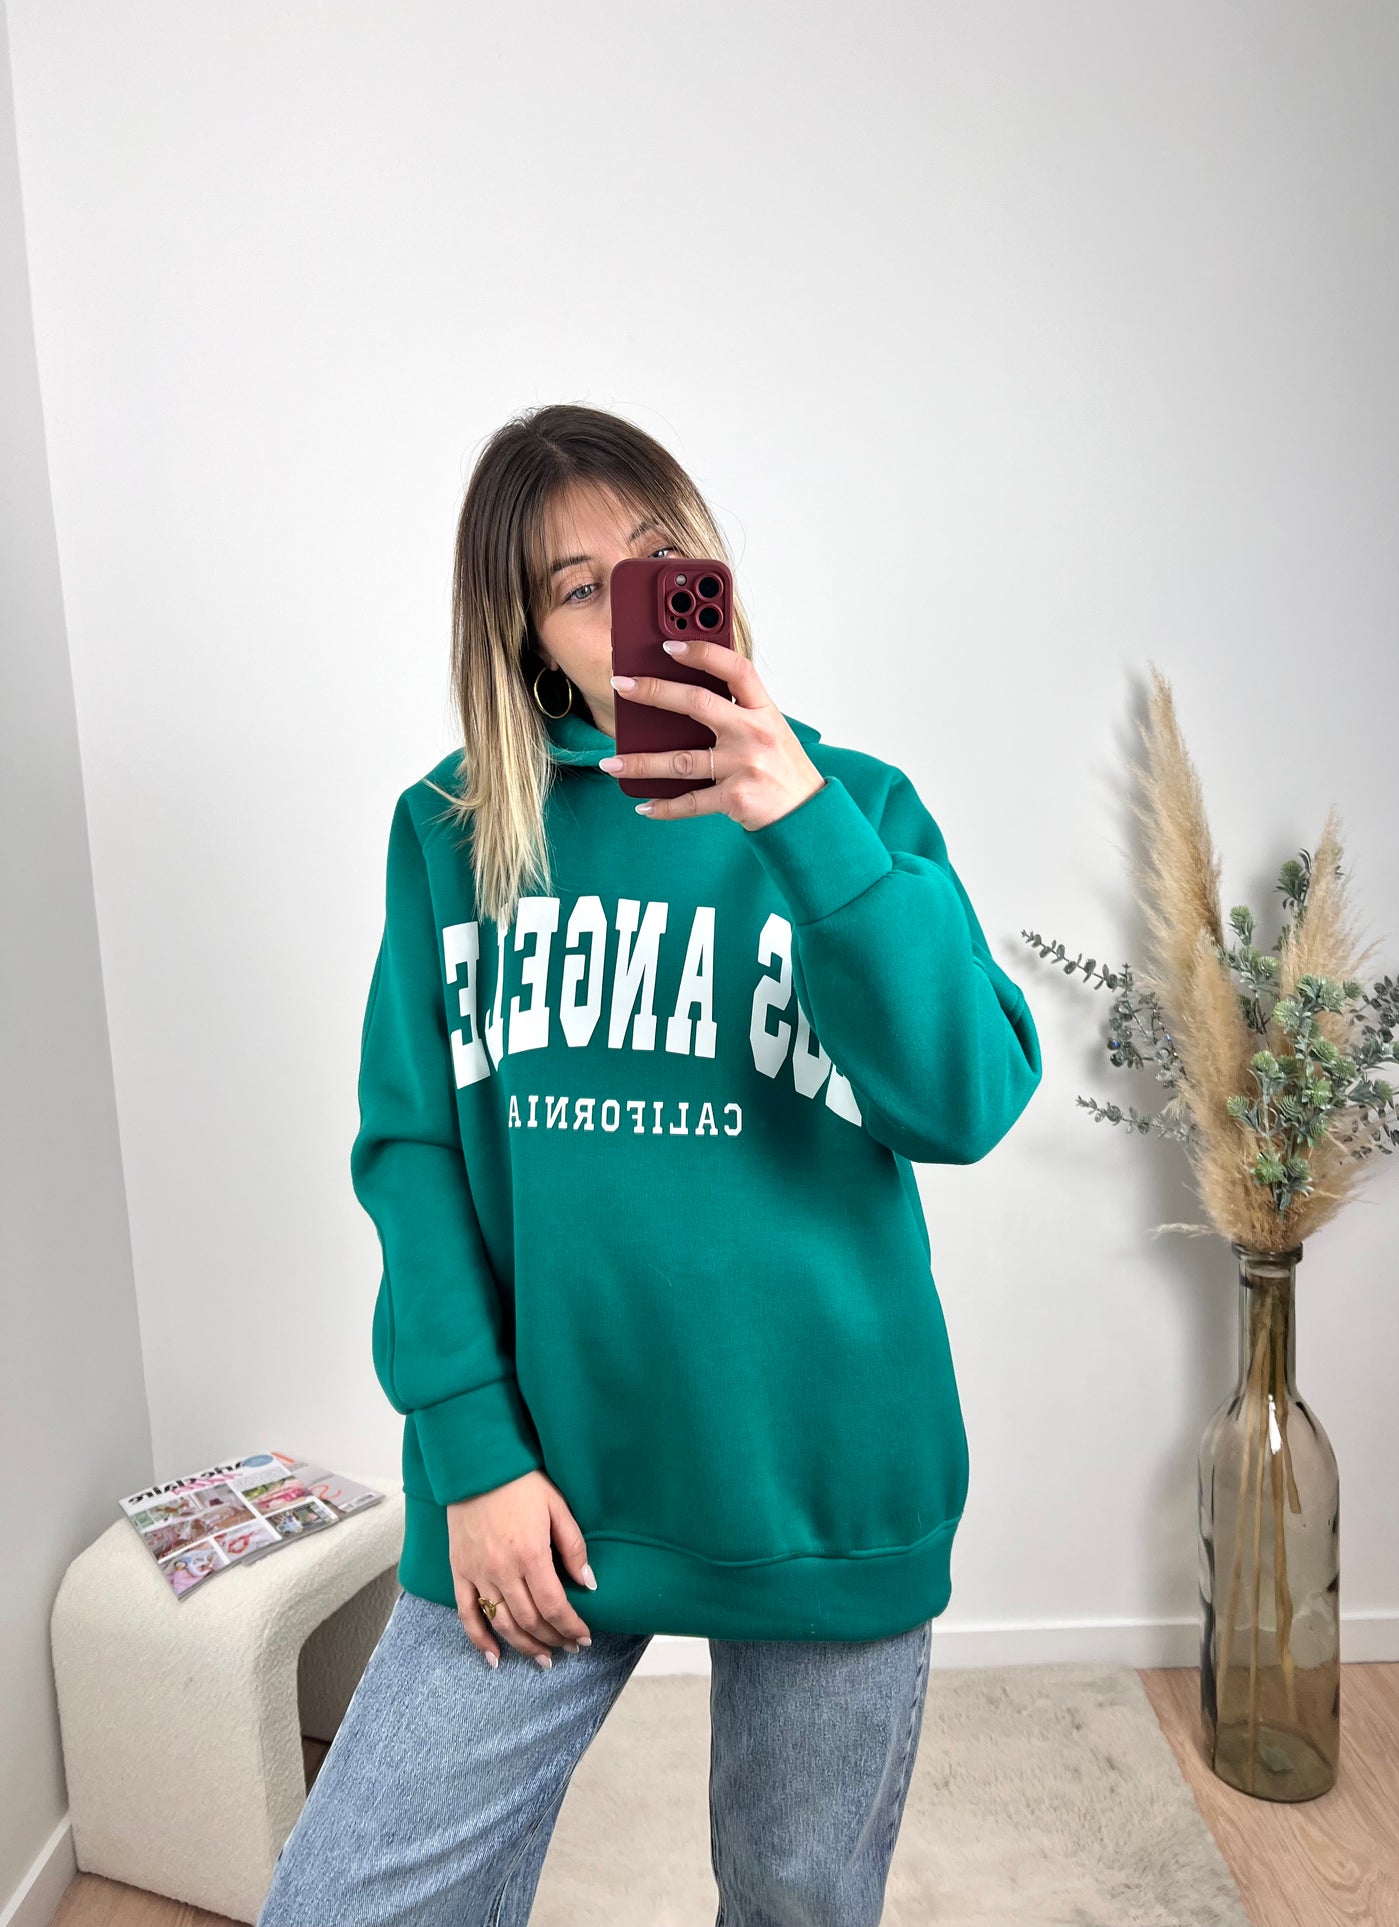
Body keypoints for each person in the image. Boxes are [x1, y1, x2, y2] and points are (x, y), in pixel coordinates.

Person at [257, 403, 1044, 1927]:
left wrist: (799, 823)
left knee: (794, 1900)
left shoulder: (856, 806)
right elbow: (412, 1150)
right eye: (578, 584)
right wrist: (472, 1453)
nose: (632, 601)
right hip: (541, 1486)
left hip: (819, 1477)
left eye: (659, 557)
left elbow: (965, 1100)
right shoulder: (452, 834)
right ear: (529, 637)